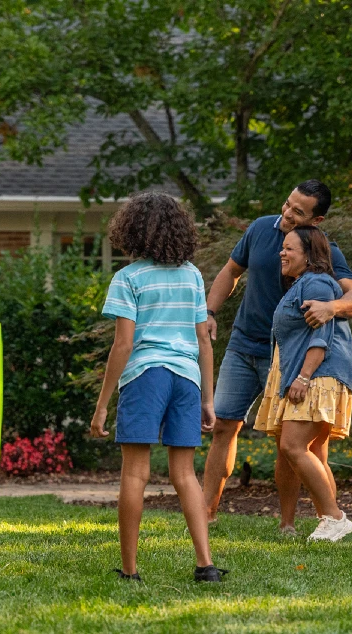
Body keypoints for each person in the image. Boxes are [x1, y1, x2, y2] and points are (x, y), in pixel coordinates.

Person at [201, 180, 352, 528]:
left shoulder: (325, 252)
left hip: (288, 355)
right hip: (244, 344)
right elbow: (231, 272)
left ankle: (292, 523)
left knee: (290, 441)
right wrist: (210, 313)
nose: (287, 214)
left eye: (298, 211)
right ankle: (206, 514)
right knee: (224, 426)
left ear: (316, 220)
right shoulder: (260, 228)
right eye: (287, 204)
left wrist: (330, 307)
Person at [90, 191, 226, 583]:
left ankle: (130, 572)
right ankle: (205, 565)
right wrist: (207, 398)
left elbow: (124, 344)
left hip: (146, 376)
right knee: (185, 474)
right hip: (186, 378)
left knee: (135, 473)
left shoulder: (128, 278)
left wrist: (102, 405)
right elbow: (203, 340)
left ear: (130, 230)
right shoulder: (192, 275)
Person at [254, 226, 352, 541]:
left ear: (309, 255)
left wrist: (302, 377)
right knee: (305, 449)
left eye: (289, 249)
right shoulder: (303, 284)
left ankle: (335, 517)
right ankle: (328, 521)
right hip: (312, 374)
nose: (282, 253)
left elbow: (320, 336)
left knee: (293, 446)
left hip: (318, 375)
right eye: (282, 248)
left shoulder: (317, 283)